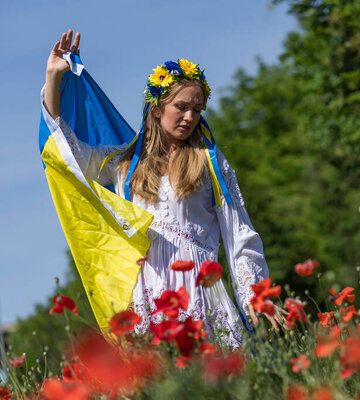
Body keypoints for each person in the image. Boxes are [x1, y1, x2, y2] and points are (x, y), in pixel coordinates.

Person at [43, 29, 284, 347]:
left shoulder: (210, 162)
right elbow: (68, 154)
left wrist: (257, 296)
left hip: (200, 290)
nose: (189, 117)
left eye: (197, 110)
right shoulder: (123, 164)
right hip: (147, 293)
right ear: (156, 108)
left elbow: (240, 235)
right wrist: (54, 78)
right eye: (181, 107)